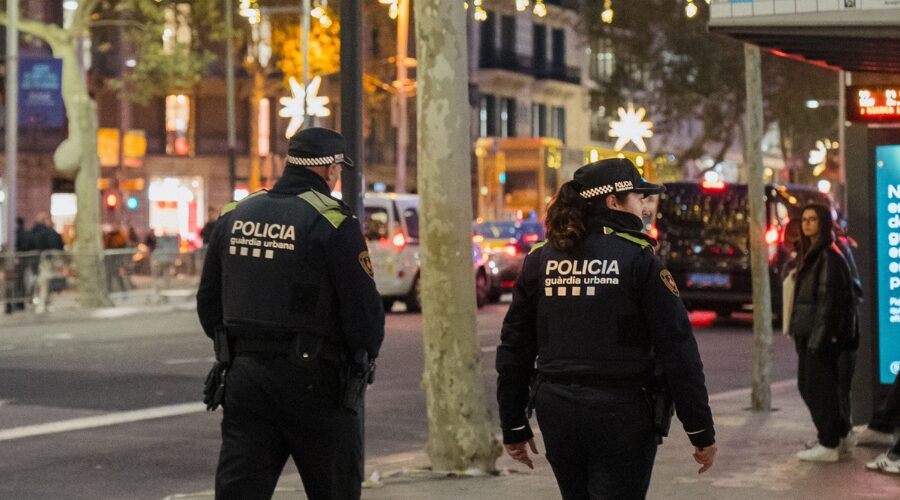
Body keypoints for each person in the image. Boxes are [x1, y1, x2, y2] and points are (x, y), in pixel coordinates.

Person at [496, 158, 717, 499]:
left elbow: (515, 347)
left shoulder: (541, 260)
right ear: (613, 201)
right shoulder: (638, 260)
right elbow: (678, 350)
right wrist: (700, 429)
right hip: (622, 411)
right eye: (640, 197)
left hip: (556, 410)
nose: (646, 207)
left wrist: (513, 424)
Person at [197, 127, 385, 500]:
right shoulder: (332, 221)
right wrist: (361, 355)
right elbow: (363, 315)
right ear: (331, 169)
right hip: (317, 382)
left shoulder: (235, 214)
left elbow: (208, 303)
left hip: (245, 377)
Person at [789, 203, 857, 462]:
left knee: (815, 387)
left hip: (820, 336)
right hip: (811, 333)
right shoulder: (812, 252)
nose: (807, 224)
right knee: (817, 386)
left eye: (813, 219)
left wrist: (817, 340)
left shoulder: (828, 255)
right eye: (804, 219)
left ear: (824, 223)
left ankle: (829, 442)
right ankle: (840, 434)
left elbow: (827, 301)